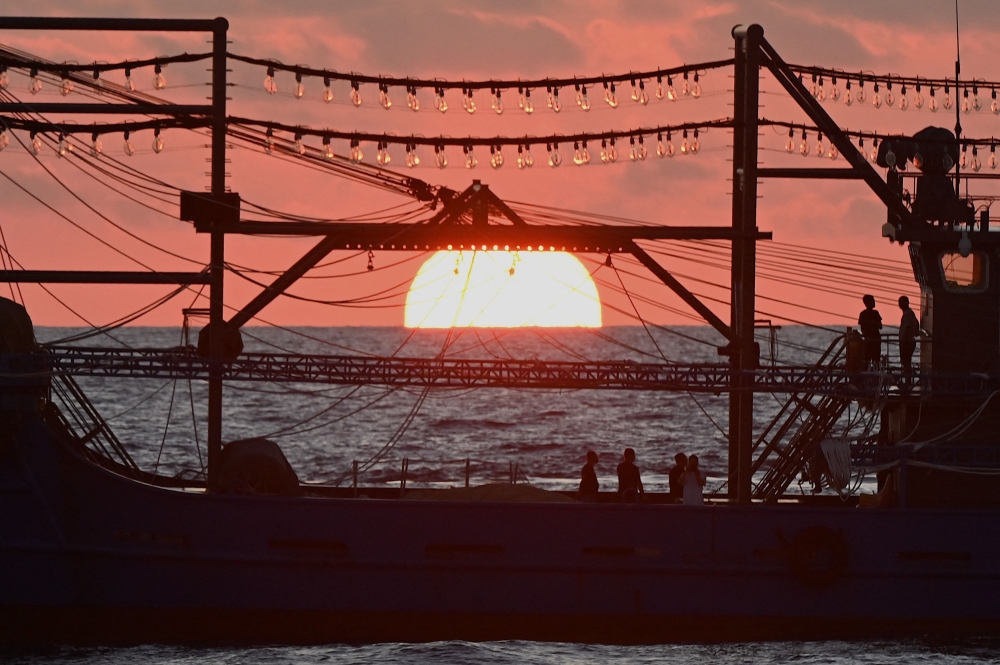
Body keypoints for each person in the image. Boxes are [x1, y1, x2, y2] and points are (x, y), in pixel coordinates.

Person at [858, 295, 883, 370]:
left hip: (868, 339)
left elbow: (862, 329)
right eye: (873, 300)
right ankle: (876, 375)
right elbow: (880, 326)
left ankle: (866, 376)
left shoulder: (862, 314)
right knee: (876, 360)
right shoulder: (875, 313)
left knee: (867, 360)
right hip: (875, 339)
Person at [898, 296, 919, 373]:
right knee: (906, 361)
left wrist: (903, 340)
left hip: (907, 342)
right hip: (909, 341)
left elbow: (907, 327)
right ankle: (908, 379)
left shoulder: (908, 314)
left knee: (906, 362)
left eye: (901, 302)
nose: (899, 304)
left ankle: (908, 379)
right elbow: (917, 324)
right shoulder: (910, 313)